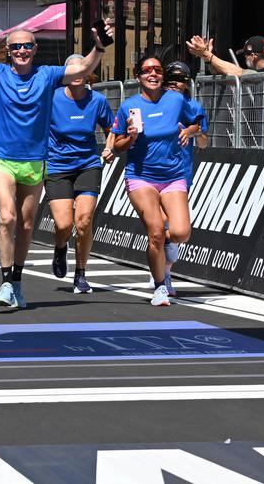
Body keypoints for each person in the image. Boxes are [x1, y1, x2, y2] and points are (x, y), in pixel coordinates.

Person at [0, 1, 105, 310]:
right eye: (16, 47)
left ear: (35, 49)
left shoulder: (47, 75)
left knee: (26, 225)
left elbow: (82, 69)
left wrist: (99, 48)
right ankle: (4, 282)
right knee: (8, 217)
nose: (22, 51)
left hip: (35, 160)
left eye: (27, 46)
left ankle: (16, 279)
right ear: (8, 51)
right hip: (1, 156)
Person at [111, 57, 204, 306]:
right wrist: (131, 138)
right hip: (141, 176)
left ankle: (166, 249)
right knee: (155, 232)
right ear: (138, 76)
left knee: (181, 232)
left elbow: (197, 123)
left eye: (157, 70)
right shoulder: (130, 106)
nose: (152, 74)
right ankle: (160, 286)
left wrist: (189, 131)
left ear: (162, 75)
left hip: (173, 176)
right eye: (147, 70)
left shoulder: (176, 100)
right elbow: (117, 145)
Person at [44, 54, 115, 294]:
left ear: (87, 73)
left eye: (81, 69)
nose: (76, 75)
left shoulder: (97, 101)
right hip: (57, 166)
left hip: (88, 164)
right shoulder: (52, 98)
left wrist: (110, 147)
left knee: (83, 221)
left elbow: (111, 129)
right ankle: (60, 246)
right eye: (71, 70)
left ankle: (81, 274)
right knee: (64, 225)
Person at [158, 61, 208, 296]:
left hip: (180, 174)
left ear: (187, 84)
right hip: (152, 172)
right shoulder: (155, 103)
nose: (174, 84)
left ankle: (165, 273)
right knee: (159, 224)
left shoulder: (194, 107)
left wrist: (192, 131)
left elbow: (204, 142)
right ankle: (160, 272)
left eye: (180, 80)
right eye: (170, 79)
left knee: (174, 229)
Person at [186, 35, 264, 76]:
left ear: (253, 56)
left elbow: (237, 72)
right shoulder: (256, 75)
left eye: (246, 54)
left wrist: (206, 54)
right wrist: (205, 57)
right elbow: (220, 72)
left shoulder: (258, 76)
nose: (245, 57)